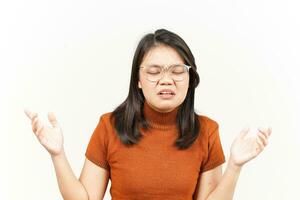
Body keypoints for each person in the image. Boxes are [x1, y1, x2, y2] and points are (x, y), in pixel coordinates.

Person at [24, 28, 272, 200]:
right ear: (138, 80)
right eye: (154, 71)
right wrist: (57, 155)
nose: (166, 80)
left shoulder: (206, 131)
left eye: (177, 71)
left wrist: (235, 167)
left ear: (190, 78)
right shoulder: (110, 126)